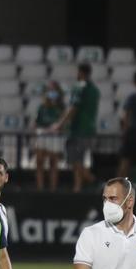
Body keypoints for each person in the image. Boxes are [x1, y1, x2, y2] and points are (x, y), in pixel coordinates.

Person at [48, 63, 98, 193]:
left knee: (76, 161)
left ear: (81, 72)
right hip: (90, 130)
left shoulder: (79, 88)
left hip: (78, 130)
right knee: (78, 161)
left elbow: (73, 108)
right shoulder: (95, 90)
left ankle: (93, 180)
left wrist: (59, 124)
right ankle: (78, 187)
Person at [33, 80, 65, 191]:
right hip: (42, 136)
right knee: (40, 162)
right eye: (49, 90)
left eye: (53, 90)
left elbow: (63, 124)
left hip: (54, 138)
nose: (51, 93)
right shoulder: (42, 107)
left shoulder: (61, 108)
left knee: (53, 163)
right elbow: (36, 123)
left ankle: (53, 188)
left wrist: (54, 129)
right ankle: (40, 188)